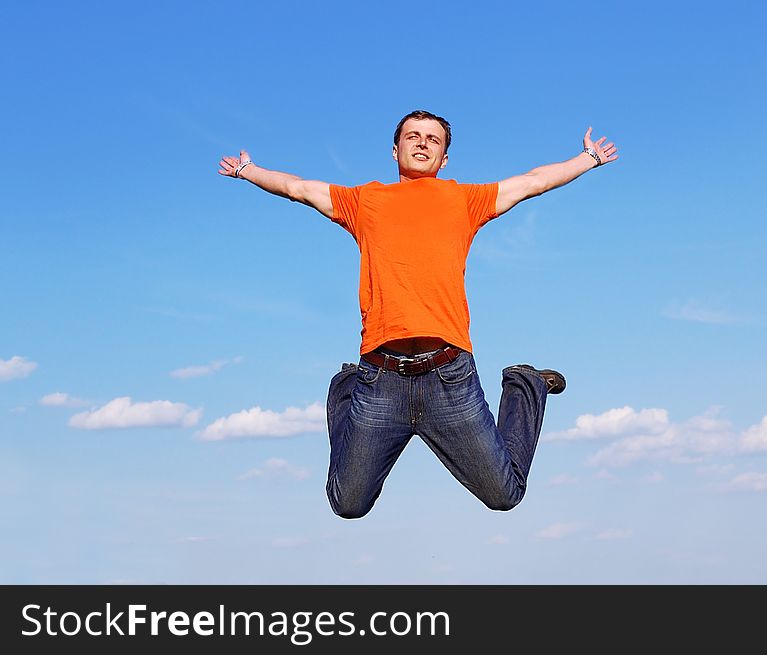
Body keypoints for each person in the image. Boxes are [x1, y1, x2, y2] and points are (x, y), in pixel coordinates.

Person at [219, 110, 617, 518]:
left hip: (449, 377)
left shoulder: (464, 199)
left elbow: (531, 182)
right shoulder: (365, 201)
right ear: (395, 151)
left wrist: (588, 159)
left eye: (433, 138)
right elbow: (298, 188)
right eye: (413, 136)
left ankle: (523, 383)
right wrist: (248, 170)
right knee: (347, 503)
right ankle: (346, 386)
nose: (422, 142)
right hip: (380, 380)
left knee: (505, 494)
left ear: (444, 159)